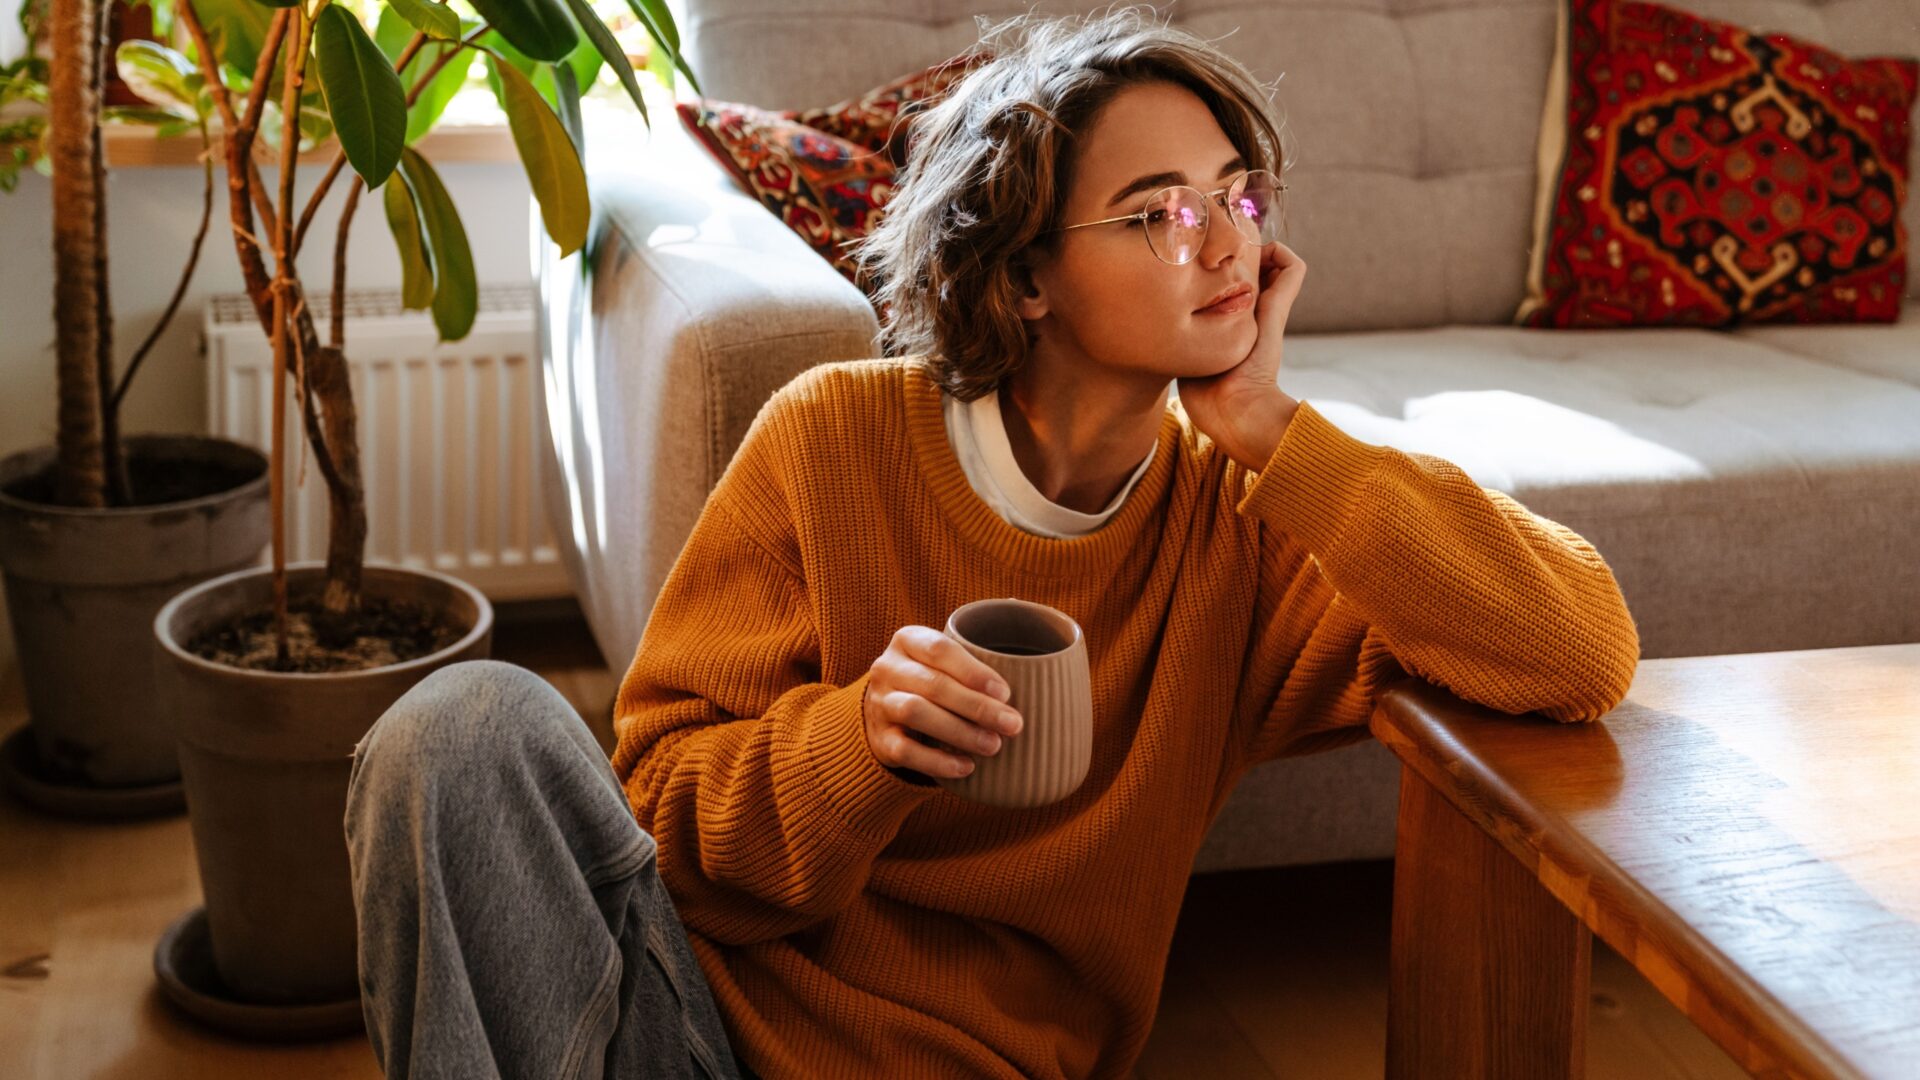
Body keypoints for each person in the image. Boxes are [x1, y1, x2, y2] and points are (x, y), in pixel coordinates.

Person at [345, 5, 1642, 1078]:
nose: (1230, 242)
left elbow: (1577, 649)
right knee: (458, 726)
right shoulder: (832, 440)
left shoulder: (1253, 519)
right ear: (1025, 277)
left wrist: (1268, 423)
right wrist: (859, 744)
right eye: (1157, 213)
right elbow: (671, 824)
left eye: (1237, 197)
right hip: (692, 1032)